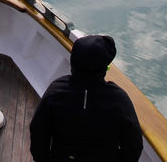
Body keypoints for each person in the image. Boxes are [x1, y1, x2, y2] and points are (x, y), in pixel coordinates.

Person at [29, 34, 143, 162]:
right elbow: (134, 145)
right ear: (104, 69)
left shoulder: (55, 92)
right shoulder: (119, 100)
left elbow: (38, 133)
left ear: (72, 65)